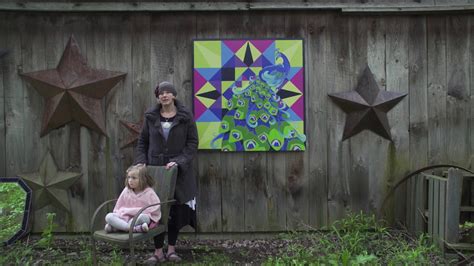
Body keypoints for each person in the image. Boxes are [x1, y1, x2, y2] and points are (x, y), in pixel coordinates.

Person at [135, 81, 199, 263]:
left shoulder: (185, 117)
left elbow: (192, 144)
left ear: (174, 95)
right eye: (160, 93)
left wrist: (178, 162)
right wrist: (141, 163)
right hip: (155, 173)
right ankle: (157, 251)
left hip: (178, 173)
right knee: (156, 210)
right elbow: (142, 143)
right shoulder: (150, 117)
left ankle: (171, 249)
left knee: (176, 211)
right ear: (158, 97)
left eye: (168, 92)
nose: (164, 95)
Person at [104, 164, 161, 233]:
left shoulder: (149, 192)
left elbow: (155, 208)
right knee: (109, 216)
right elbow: (119, 206)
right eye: (129, 177)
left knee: (143, 217)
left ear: (143, 179)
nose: (130, 180)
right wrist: (123, 213)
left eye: (134, 178)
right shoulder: (126, 190)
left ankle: (117, 228)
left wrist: (139, 212)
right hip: (125, 217)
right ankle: (134, 229)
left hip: (138, 218)